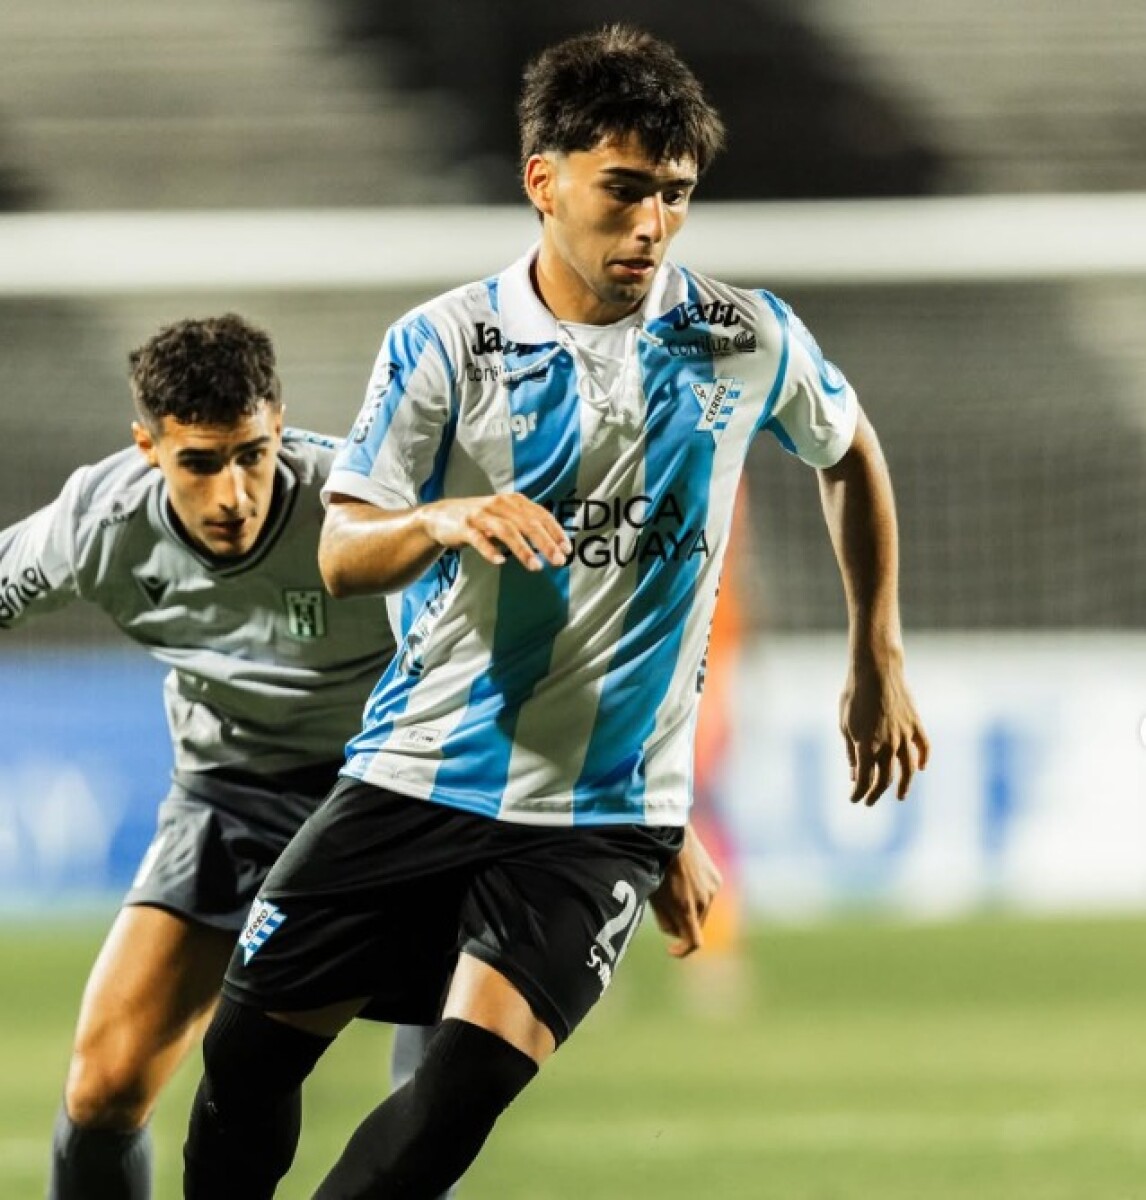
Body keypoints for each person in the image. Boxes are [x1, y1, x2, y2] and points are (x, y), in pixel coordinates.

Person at [182, 24, 930, 1200]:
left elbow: (852, 452)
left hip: (602, 817)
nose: (651, 225)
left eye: (675, 198)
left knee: (443, 1118)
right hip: (418, 773)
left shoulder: (741, 338)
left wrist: (875, 652)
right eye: (624, 190)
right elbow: (340, 551)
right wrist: (442, 522)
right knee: (241, 1066)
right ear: (545, 181)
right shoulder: (443, 347)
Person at [0, 313, 453, 1200]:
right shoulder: (100, 522)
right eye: (200, 464)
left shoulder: (358, 508)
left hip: (392, 789)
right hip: (230, 794)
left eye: (251, 453)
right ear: (148, 448)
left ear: (279, 424)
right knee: (102, 1087)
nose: (233, 494)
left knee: (440, 1090)